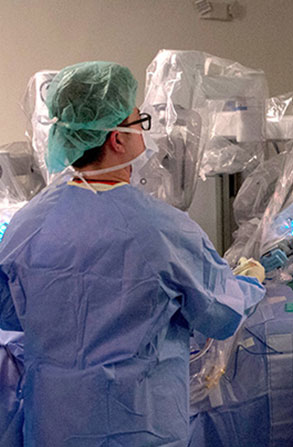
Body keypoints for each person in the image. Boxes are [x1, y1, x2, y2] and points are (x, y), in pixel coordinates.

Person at [0, 61, 265, 446]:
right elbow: (220, 316)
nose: (143, 131)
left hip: (54, 427)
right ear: (117, 139)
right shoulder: (163, 229)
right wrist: (249, 280)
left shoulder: (27, 225)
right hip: (140, 428)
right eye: (138, 121)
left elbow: (9, 312)